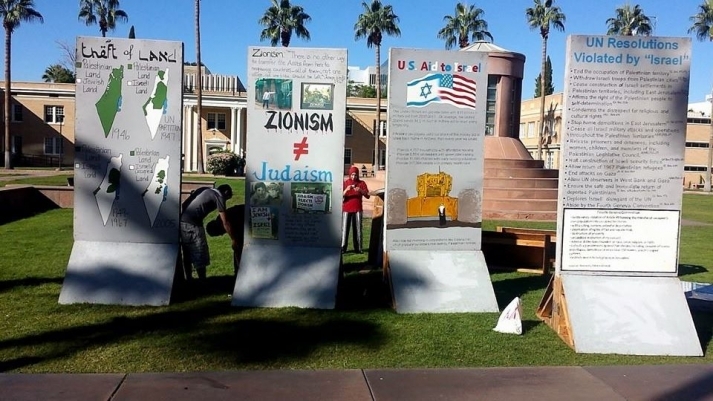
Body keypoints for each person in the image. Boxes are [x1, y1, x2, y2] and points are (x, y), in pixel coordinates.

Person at [180, 184, 238, 280]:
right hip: (194, 224)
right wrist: (233, 239)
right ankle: (202, 280)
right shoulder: (219, 196)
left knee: (187, 252)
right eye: (227, 199)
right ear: (226, 192)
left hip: (182, 221)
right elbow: (225, 222)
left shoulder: (205, 189)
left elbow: (184, 204)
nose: (225, 202)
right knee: (200, 252)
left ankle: (189, 279)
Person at [342, 166, 370, 253]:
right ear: (350, 174)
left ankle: (358, 248)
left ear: (358, 175)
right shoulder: (345, 183)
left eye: (355, 175)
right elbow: (341, 196)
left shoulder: (362, 183)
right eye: (352, 175)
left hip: (357, 209)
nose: (354, 177)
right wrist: (346, 190)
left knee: (358, 229)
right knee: (345, 229)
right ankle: (343, 248)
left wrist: (361, 191)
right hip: (346, 209)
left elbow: (368, 195)